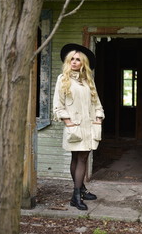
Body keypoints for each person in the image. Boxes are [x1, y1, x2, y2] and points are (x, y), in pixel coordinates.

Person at [53, 43, 105, 210]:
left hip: (89, 126)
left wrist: (99, 118)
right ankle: (76, 196)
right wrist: (68, 123)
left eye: (78, 60)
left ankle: (81, 189)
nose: (74, 62)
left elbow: (97, 103)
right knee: (79, 158)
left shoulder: (88, 81)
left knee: (79, 158)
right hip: (74, 125)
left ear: (83, 63)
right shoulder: (63, 79)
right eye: (72, 59)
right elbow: (58, 105)